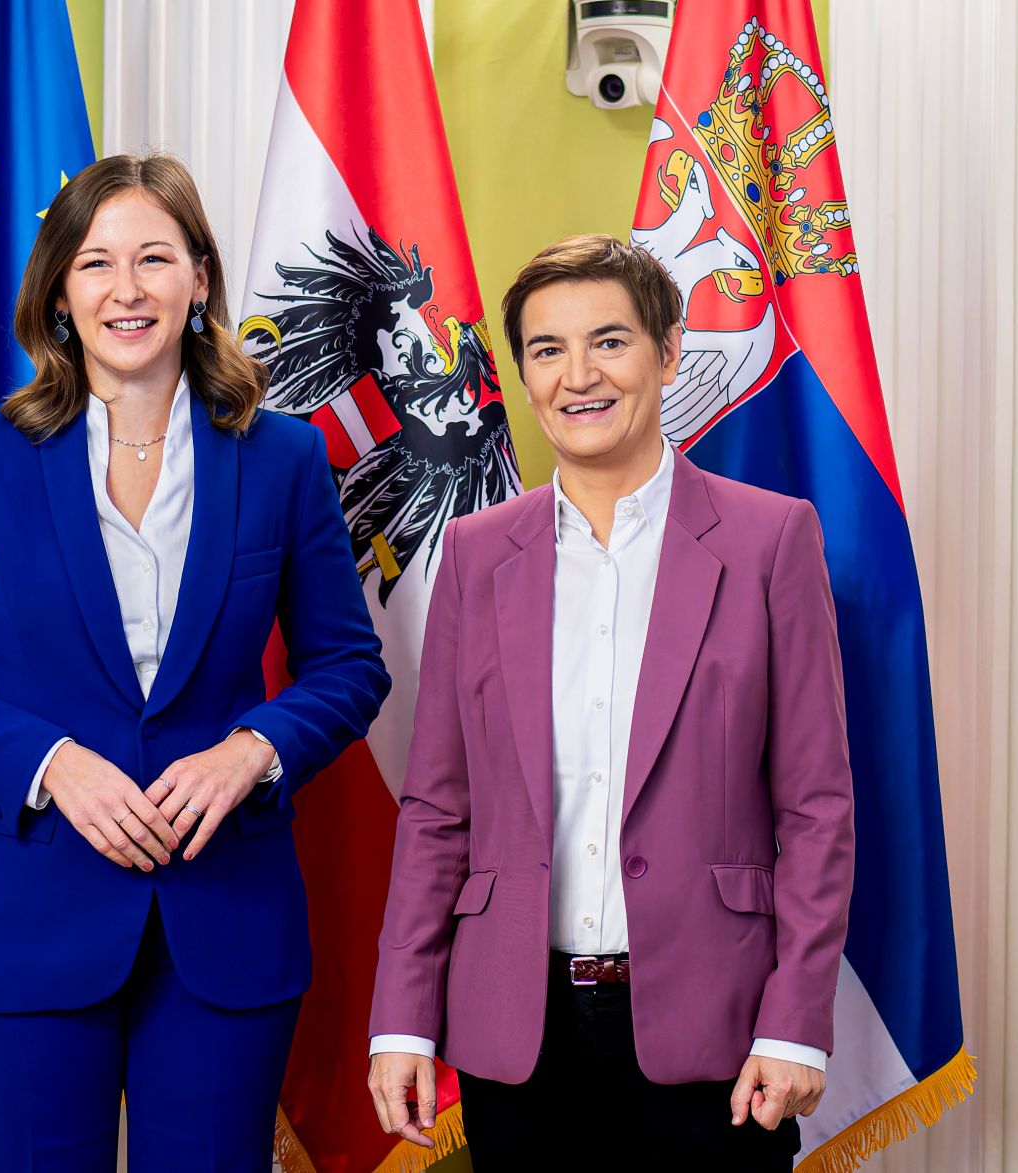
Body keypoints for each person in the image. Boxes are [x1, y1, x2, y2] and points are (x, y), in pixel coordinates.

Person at [0, 152, 390, 1173]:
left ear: (198, 280)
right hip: (25, 917)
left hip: (223, 917)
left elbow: (346, 668)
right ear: (60, 292)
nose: (127, 288)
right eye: (97, 263)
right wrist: (51, 764)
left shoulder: (279, 457)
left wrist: (252, 751)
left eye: (155, 258)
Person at [365, 235, 854, 1169]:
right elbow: (438, 809)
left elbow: (819, 808)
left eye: (610, 342)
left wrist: (796, 1023)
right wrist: (402, 1018)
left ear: (669, 352)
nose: (577, 375)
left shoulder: (769, 540)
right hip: (519, 1035)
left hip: (719, 1032)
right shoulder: (474, 554)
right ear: (520, 373)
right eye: (546, 350)